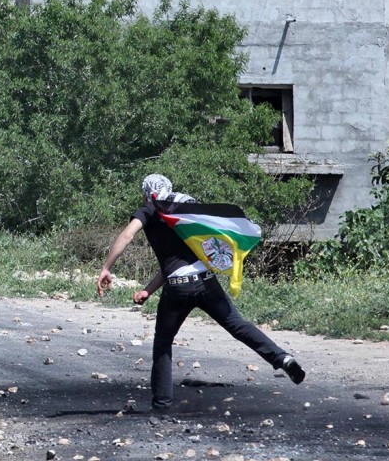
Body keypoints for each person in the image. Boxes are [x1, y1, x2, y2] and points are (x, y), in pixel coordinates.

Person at [96, 174, 305, 416]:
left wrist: (106, 267)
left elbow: (127, 235)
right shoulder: (186, 209)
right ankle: (283, 359)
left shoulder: (151, 207)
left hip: (178, 286)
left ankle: (161, 407)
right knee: (237, 325)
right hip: (206, 282)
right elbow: (177, 258)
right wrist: (148, 290)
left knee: (163, 343)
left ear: (146, 193)